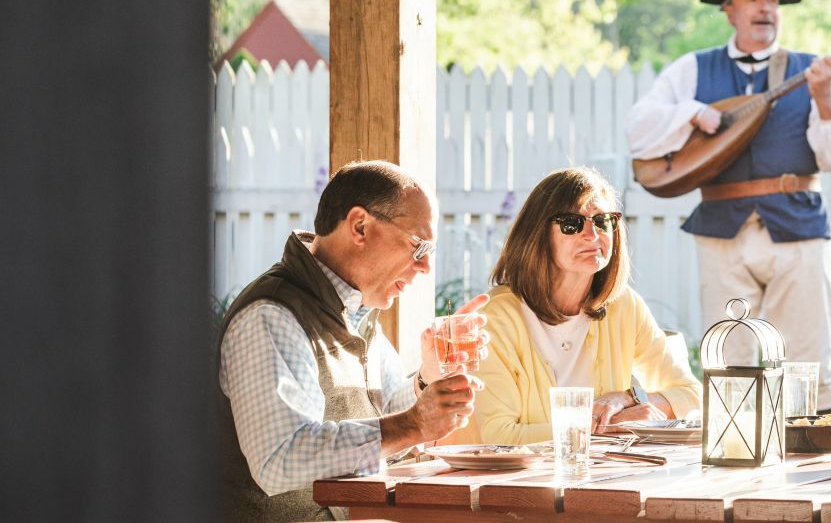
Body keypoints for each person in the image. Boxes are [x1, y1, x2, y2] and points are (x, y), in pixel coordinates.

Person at [625, 0, 831, 413]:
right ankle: (732, 446)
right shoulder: (693, 69)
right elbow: (639, 130)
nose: (765, 8)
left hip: (798, 226)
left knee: (808, 354)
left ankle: (813, 448)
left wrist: (824, 99)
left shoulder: (812, 70)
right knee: (726, 352)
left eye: (772, 0)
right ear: (729, 9)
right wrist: (693, 112)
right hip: (722, 226)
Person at [217, 160, 488, 522]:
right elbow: (279, 459)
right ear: (360, 226)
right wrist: (413, 424)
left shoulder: (354, 308)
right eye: (418, 246)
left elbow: (386, 411)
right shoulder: (270, 315)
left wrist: (428, 377)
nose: (425, 267)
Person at [460, 167, 701, 445]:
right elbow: (500, 436)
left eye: (602, 221)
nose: (592, 234)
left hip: (607, 470)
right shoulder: (494, 318)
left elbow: (693, 395)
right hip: (507, 474)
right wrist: (599, 427)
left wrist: (629, 399)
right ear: (537, 233)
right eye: (571, 223)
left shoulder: (624, 306)